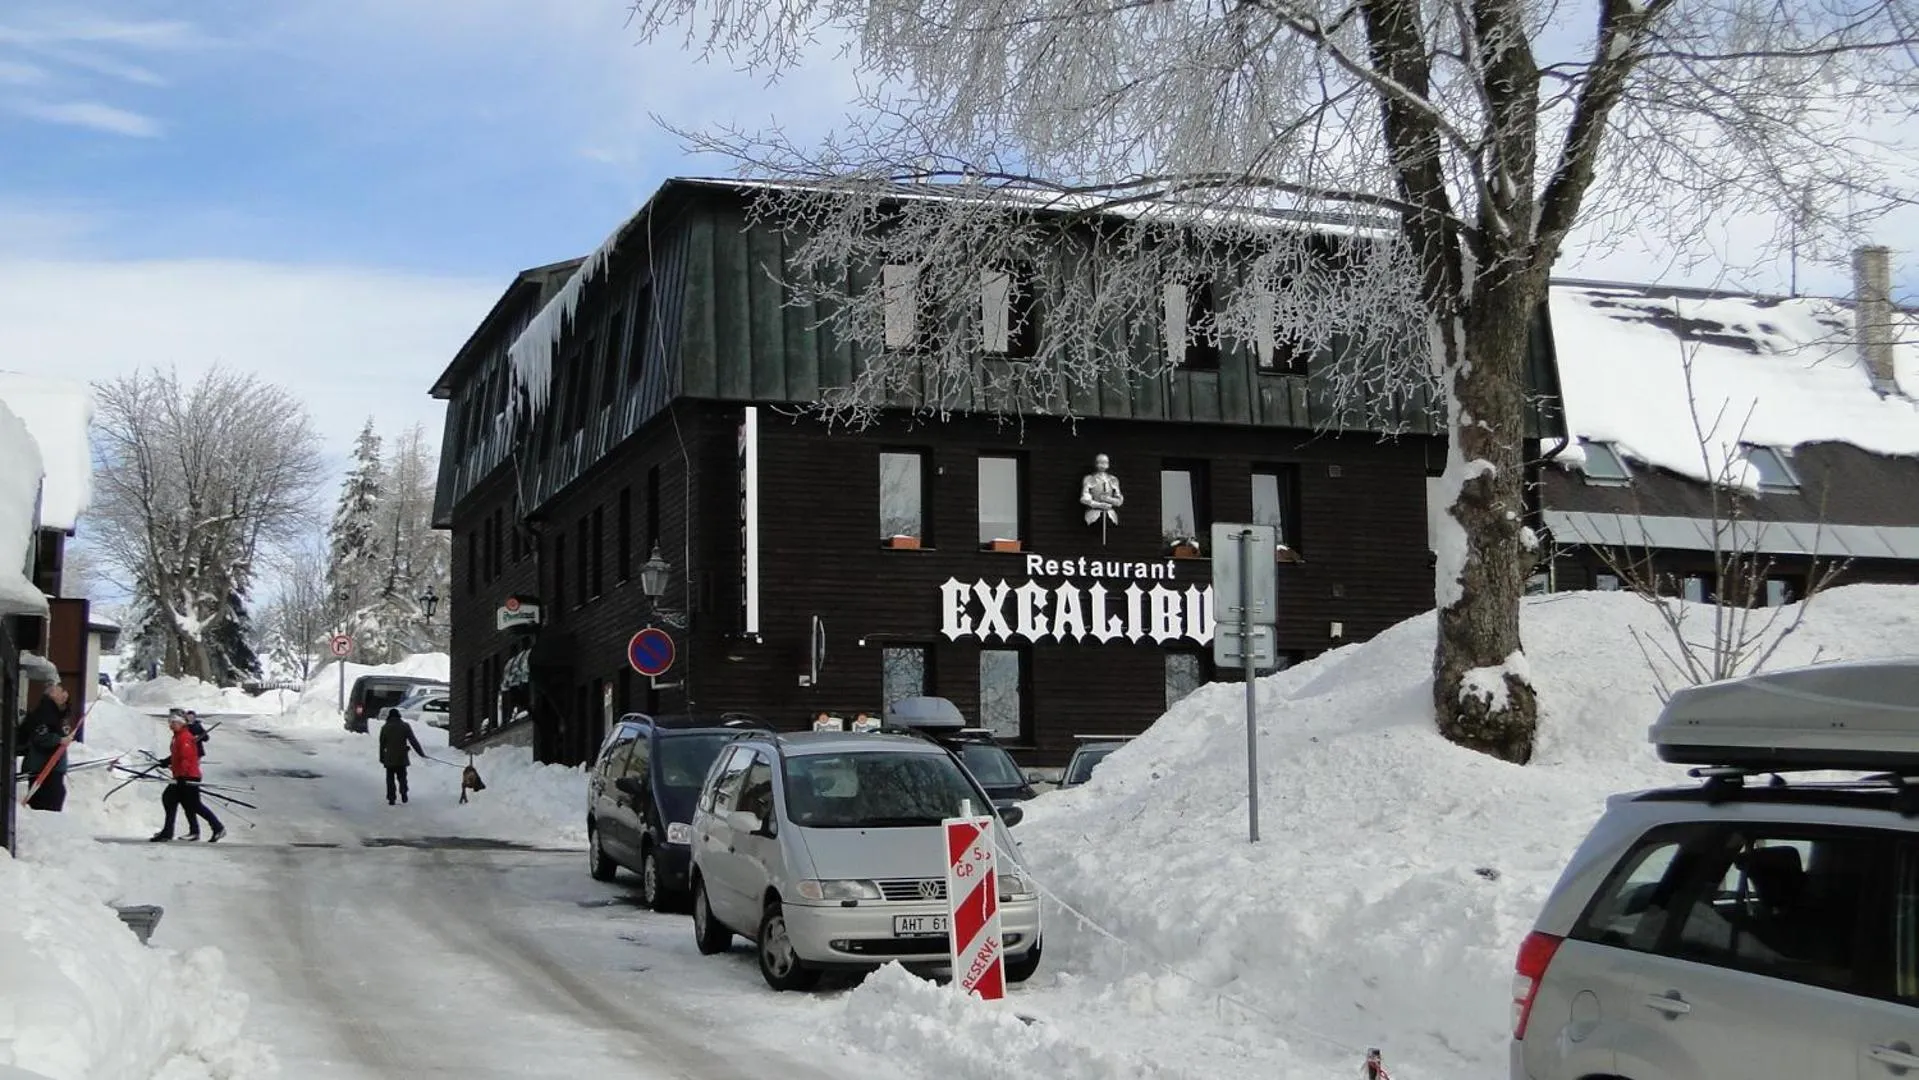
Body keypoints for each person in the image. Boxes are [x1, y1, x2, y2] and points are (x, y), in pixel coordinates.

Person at [151, 711, 224, 842]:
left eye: (173, 722)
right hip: (183, 776)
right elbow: (178, 755)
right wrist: (166, 762)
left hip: (188, 777)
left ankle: (217, 828)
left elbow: (186, 758)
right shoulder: (179, 736)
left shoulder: (184, 737)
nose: (170, 725)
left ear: (181, 723)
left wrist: (182, 776)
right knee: (175, 801)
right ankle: (172, 832)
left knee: (192, 804)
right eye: (170, 723)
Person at [15, 681, 72, 812]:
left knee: (55, 798)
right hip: (44, 768)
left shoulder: (56, 713)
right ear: (52, 694)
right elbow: (40, 737)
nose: (65, 694)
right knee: (48, 804)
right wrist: (60, 740)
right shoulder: (45, 713)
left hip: (51, 768)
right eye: (60, 691)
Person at [379, 707, 425, 805]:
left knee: (390, 779)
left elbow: (382, 745)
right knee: (402, 777)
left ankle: (391, 798)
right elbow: (413, 741)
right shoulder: (405, 726)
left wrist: (382, 757)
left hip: (389, 758)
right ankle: (404, 793)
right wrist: (421, 753)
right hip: (401, 757)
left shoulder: (385, 727)